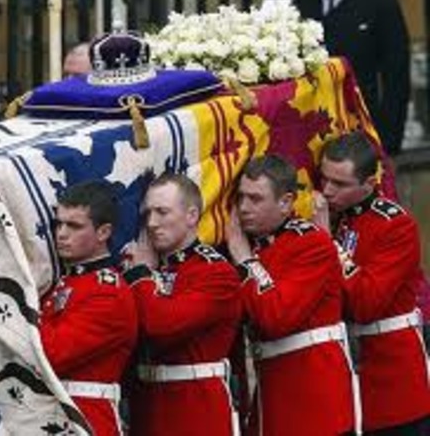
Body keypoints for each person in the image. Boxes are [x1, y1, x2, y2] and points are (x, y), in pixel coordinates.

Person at [226, 155, 356, 436]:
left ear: (286, 202)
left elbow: (275, 317)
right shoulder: (257, 246)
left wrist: (246, 261)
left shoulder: (311, 244)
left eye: (256, 199)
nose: (244, 208)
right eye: (241, 198)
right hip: (269, 398)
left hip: (313, 400)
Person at [314, 131, 430, 435]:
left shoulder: (395, 225)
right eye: (323, 178)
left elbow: (366, 302)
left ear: (369, 183)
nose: (326, 191)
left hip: (392, 377)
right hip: (347, 373)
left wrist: (327, 243)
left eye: (339, 184)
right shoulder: (335, 217)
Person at [122, 173, 242, 436]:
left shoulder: (216, 273)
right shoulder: (146, 270)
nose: (152, 223)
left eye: (162, 212)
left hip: (195, 409)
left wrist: (140, 275)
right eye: (148, 214)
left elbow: (162, 325)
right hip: (148, 407)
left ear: (191, 216)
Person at [39, 180, 138, 436]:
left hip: (86, 420)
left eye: (74, 226)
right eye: (58, 224)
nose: (61, 233)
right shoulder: (63, 281)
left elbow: (50, 354)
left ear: (103, 232)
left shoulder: (108, 293)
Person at [292, 0, 410, 156]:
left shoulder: (381, 3)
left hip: (362, 134)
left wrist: (389, 143)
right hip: (309, 135)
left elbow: (396, 79)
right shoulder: (300, 4)